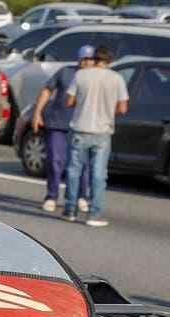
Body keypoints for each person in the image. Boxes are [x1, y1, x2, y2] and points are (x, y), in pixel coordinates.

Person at [63, 44, 129, 227]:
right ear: (110, 60)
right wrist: (108, 110)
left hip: (80, 128)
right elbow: (123, 108)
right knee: (98, 175)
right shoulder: (117, 79)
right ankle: (94, 214)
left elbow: (69, 101)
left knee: (73, 171)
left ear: (95, 58)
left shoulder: (81, 75)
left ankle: (70, 210)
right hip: (102, 132)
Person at [32, 44, 93, 214]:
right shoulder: (66, 72)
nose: (87, 63)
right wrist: (37, 113)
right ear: (79, 59)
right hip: (58, 123)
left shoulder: (96, 77)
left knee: (82, 164)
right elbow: (46, 91)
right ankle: (51, 196)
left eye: (90, 59)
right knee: (55, 161)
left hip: (83, 126)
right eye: (84, 59)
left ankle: (81, 195)